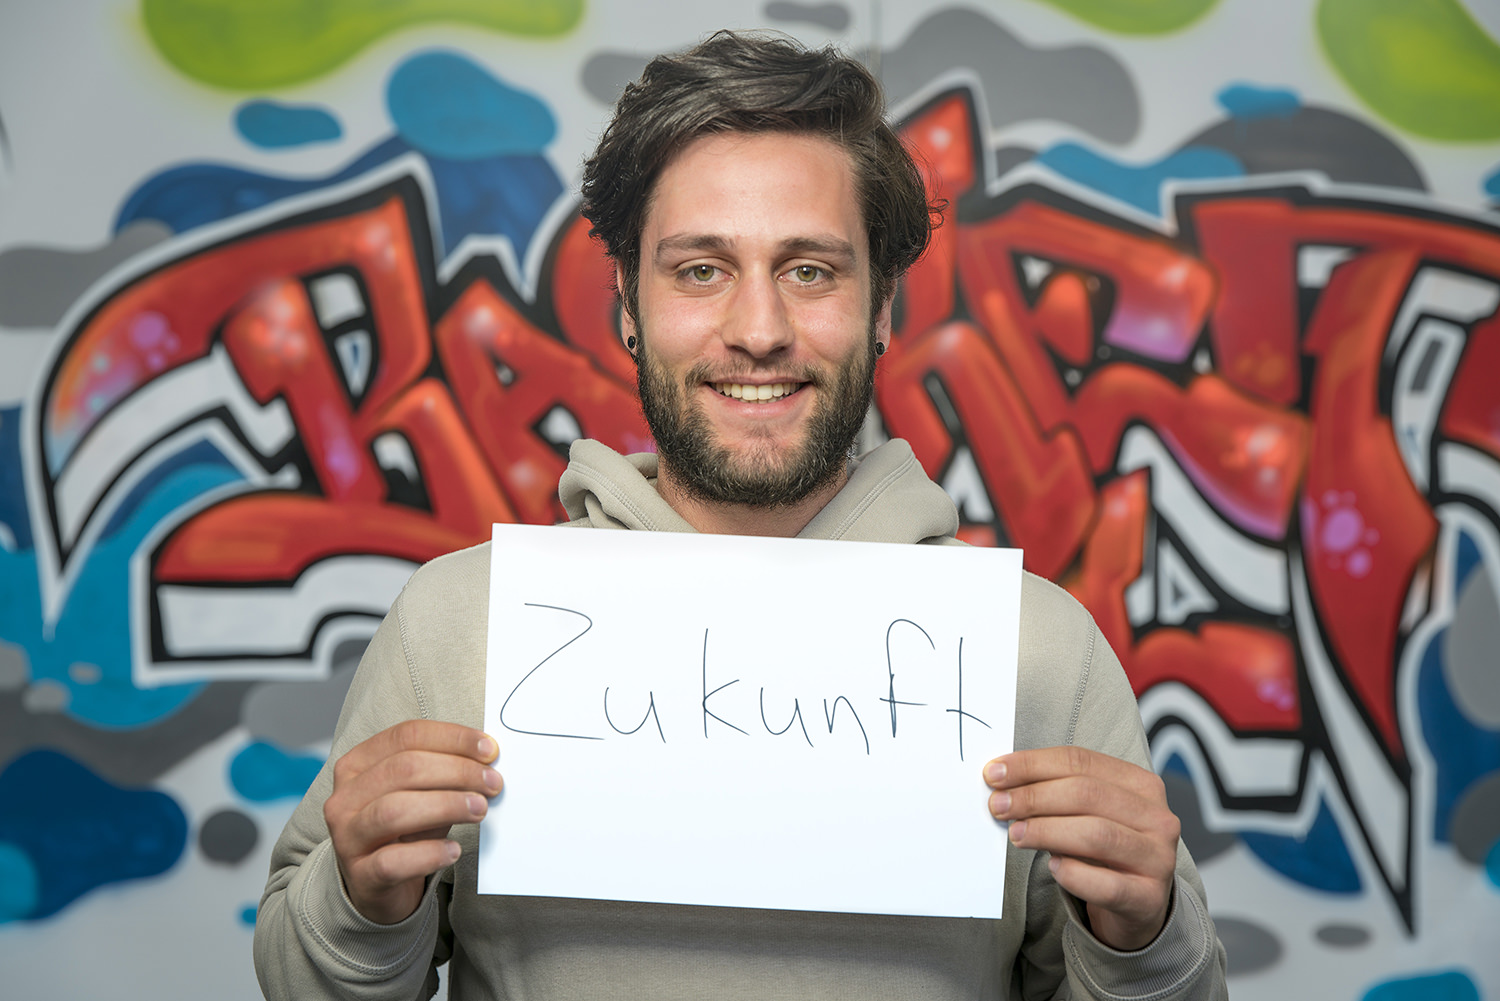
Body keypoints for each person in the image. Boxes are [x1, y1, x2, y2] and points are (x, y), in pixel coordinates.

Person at [254, 31, 1228, 1000]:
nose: (759, 331)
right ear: (627, 302)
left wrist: (1143, 935)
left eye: (809, 270)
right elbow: (303, 983)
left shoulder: (1038, 651)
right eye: (700, 270)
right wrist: (359, 901)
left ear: (882, 307)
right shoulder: (458, 624)